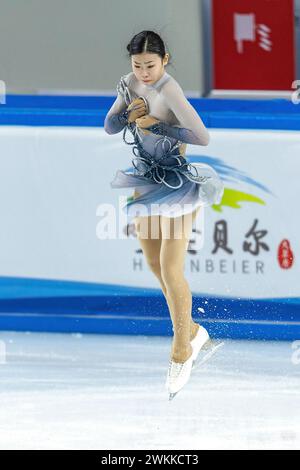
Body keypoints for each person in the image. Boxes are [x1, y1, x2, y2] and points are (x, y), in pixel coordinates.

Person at [104, 30, 224, 400]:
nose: (143, 72)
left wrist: (155, 124)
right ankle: (192, 330)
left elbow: (202, 137)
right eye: (137, 65)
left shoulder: (170, 90)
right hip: (144, 180)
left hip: (176, 183)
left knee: (171, 269)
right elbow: (110, 125)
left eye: (150, 65)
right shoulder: (128, 83)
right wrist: (128, 113)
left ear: (165, 60)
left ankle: (180, 350)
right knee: (155, 264)